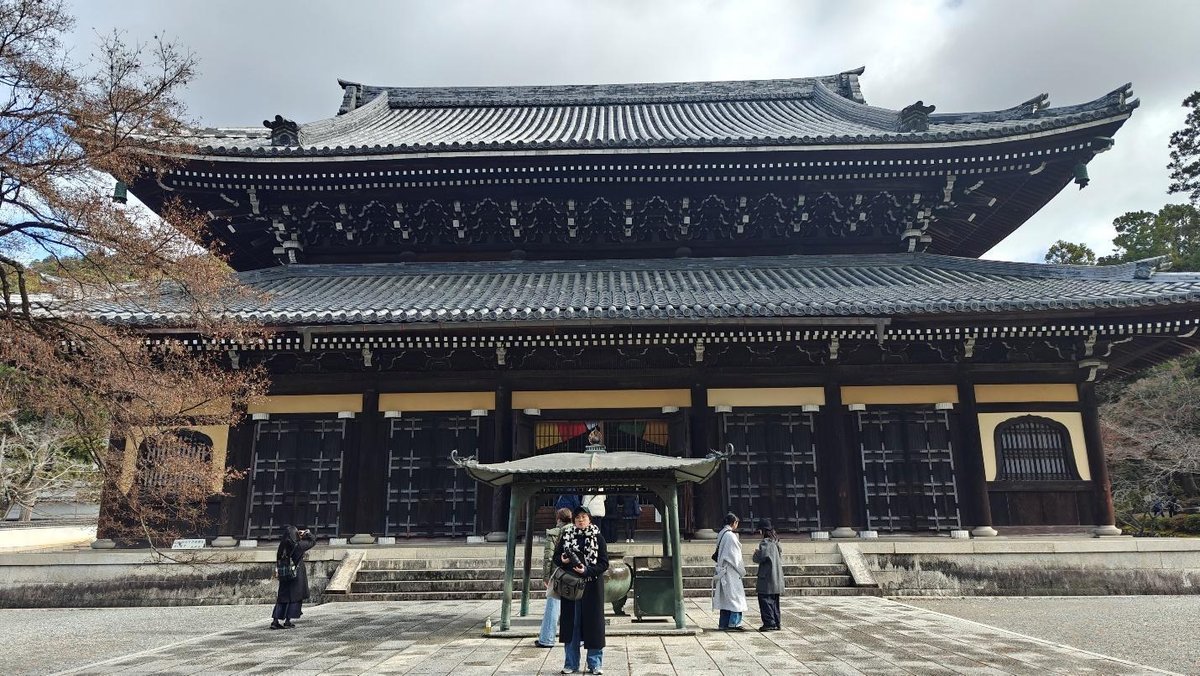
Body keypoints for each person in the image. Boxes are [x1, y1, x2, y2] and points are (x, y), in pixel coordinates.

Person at [554, 506, 609, 675]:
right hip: (571, 587)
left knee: (594, 626)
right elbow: (556, 557)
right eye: (577, 517)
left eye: (584, 517)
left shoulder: (598, 537)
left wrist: (587, 571)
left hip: (591, 586)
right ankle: (570, 664)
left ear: (589, 519)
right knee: (572, 625)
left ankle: (595, 664)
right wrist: (562, 559)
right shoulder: (566, 536)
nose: (580, 520)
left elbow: (603, 563)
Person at [537, 507, 574, 648]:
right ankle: (579, 638)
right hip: (574, 573)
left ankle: (547, 638)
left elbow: (548, 557)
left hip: (557, 572)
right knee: (575, 606)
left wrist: (546, 577)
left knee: (553, 605)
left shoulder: (554, 533)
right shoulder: (577, 531)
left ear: (558, 519)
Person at [270, 525, 315, 629]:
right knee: (294, 597)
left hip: (284, 573)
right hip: (296, 574)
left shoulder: (282, 547)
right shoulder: (298, 546)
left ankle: (275, 620)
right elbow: (312, 541)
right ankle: (288, 620)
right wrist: (307, 533)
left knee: (282, 597)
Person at [712, 512, 747, 631]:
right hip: (731, 570)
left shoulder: (721, 533)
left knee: (726, 598)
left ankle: (723, 623)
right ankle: (734, 623)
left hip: (723, 569)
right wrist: (742, 570)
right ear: (734, 523)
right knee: (735, 598)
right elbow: (735, 557)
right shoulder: (731, 536)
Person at [751, 519, 783, 632]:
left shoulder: (765, 542)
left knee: (765, 600)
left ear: (763, 530)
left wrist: (756, 553)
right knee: (774, 602)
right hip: (776, 577)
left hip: (767, 577)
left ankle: (769, 623)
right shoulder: (776, 542)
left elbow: (760, 558)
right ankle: (776, 622)